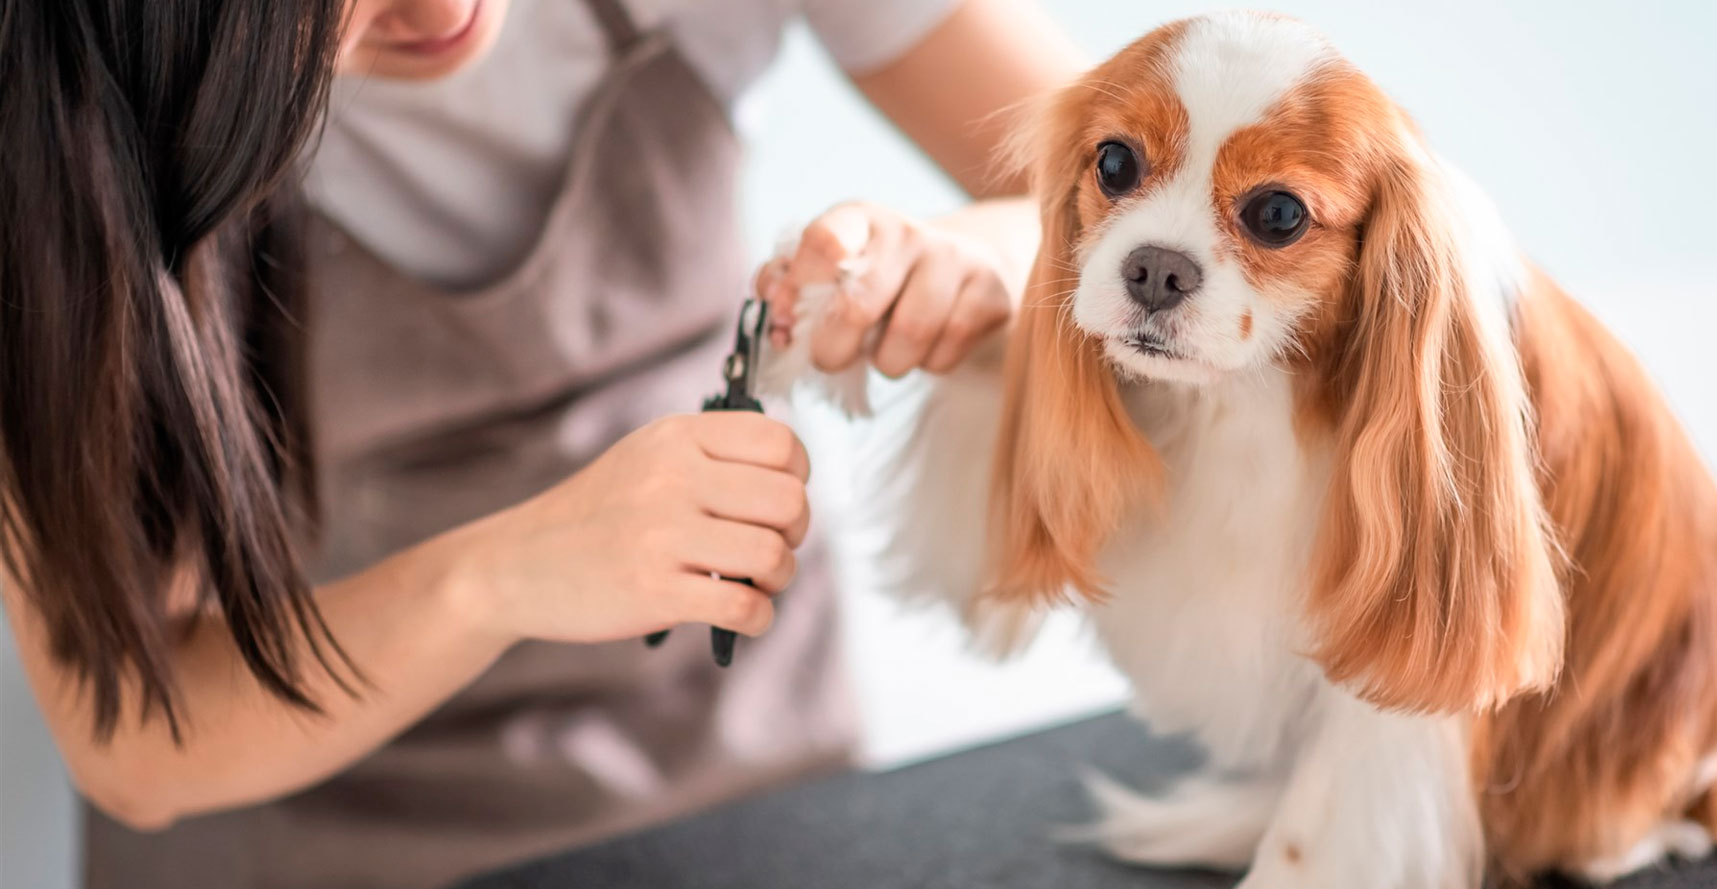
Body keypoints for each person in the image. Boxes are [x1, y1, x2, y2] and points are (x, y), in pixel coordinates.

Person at [0, 1, 1076, 886]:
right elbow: (136, 735)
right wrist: (502, 576)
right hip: (295, 841)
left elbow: (1109, 193)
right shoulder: (55, 123)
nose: (438, 11)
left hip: (750, 800)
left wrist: (970, 255)